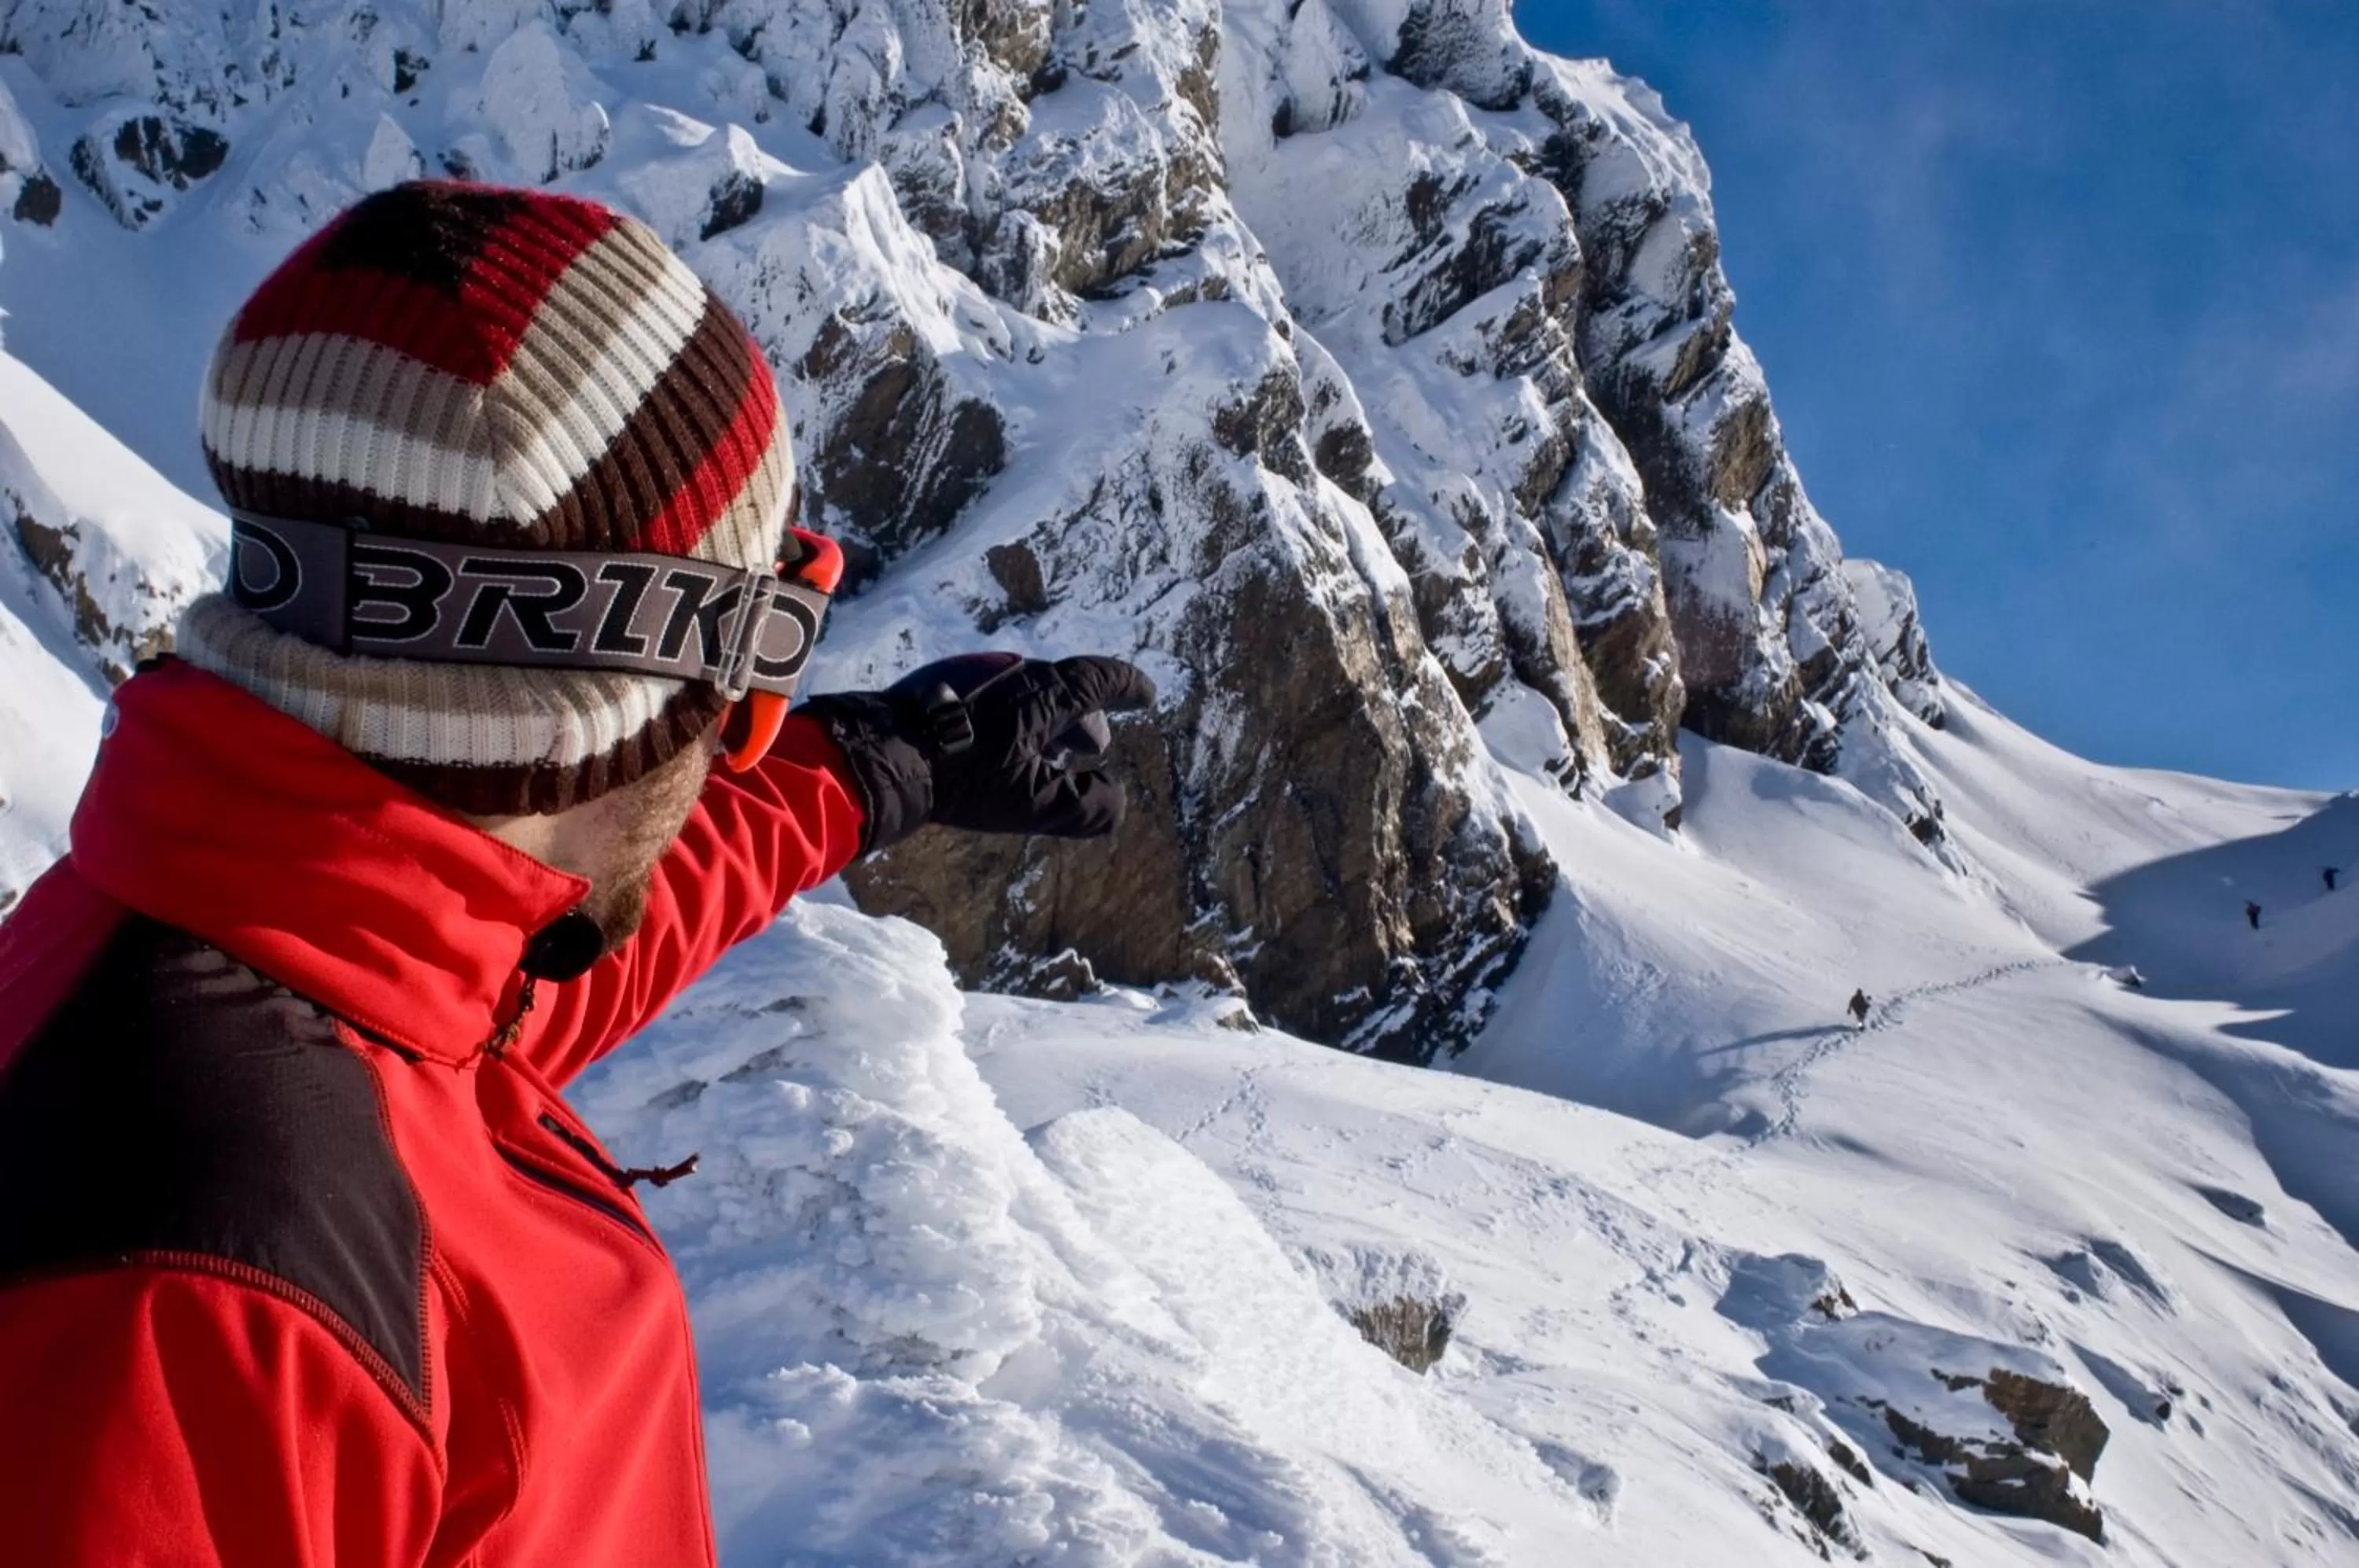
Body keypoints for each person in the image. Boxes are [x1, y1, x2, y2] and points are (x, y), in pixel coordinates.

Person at [0, 183, 1153, 1566]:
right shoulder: (190, 1313)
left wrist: (882, 760)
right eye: (754, 670)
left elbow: (521, 977)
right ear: (602, 702)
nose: (743, 734)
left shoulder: (267, 952)